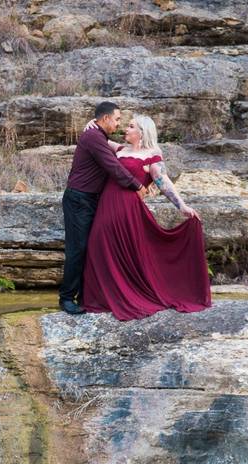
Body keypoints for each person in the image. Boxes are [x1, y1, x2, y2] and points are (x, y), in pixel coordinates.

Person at [81, 114, 212, 321]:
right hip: (107, 204)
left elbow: (163, 181)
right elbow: (98, 139)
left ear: (141, 132)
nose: (126, 129)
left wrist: (182, 206)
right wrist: (91, 124)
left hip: (128, 208)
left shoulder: (152, 154)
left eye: (131, 126)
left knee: (123, 249)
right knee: (99, 244)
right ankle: (104, 298)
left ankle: (128, 294)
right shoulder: (121, 150)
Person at [59, 102, 149, 315]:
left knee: (90, 248)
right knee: (77, 249)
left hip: (91, 200)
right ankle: (66, 298)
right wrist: (137, 185)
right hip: (79, 199)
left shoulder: (97, 136)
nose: (119, 124)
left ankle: (85, 296)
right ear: (106, 118)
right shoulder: (93, 137)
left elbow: (119, 153)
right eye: (117, 119)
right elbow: (113, 166)